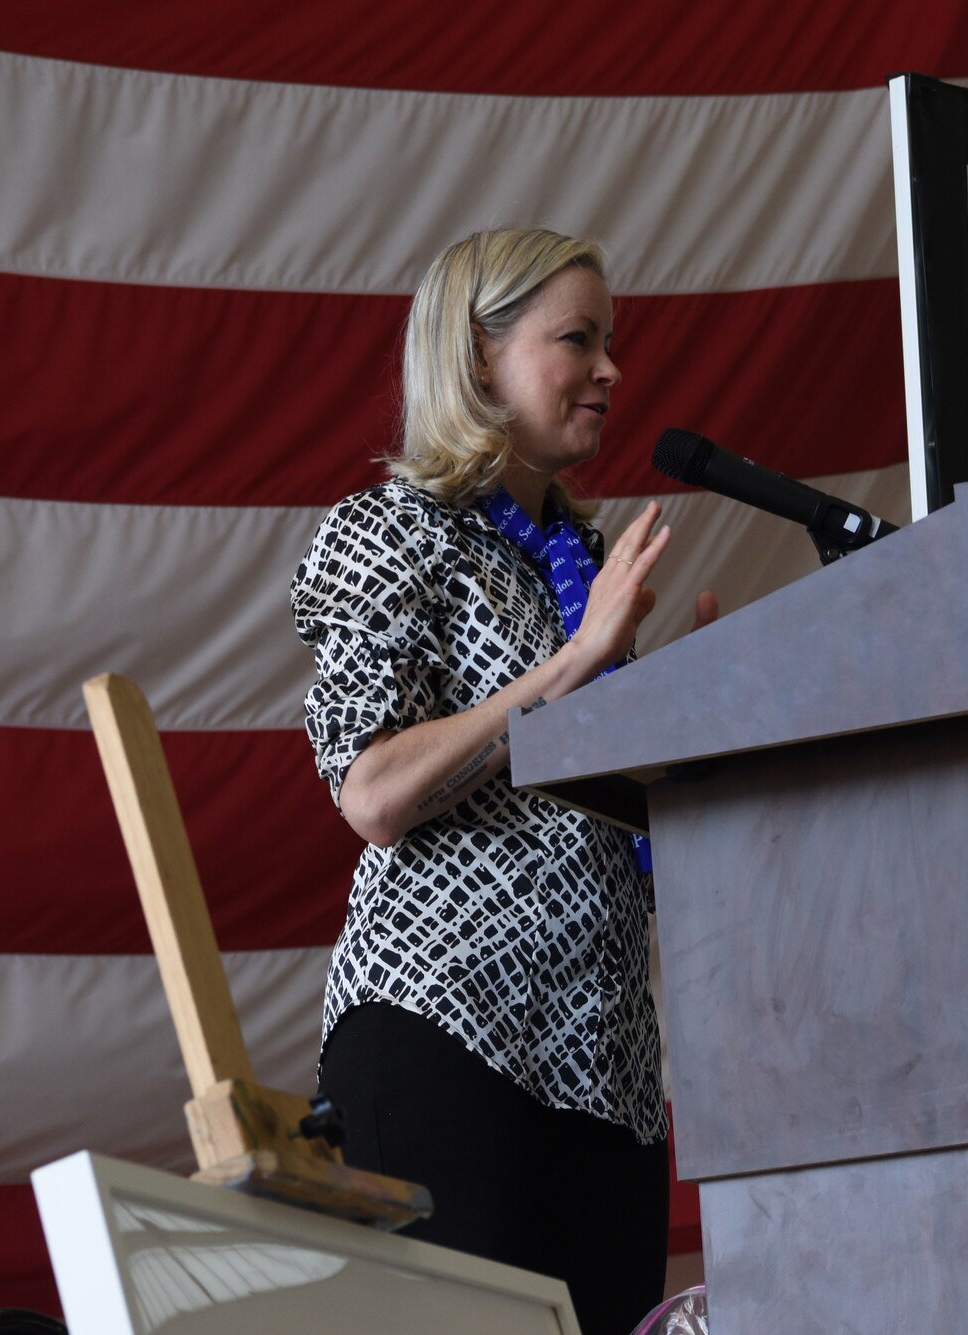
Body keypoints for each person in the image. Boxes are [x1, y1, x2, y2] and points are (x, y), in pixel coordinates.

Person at [291, 227, 712, 1331]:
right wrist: (576, 665)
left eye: (610, 341)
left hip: (608, 1070)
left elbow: (600, 825)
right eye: (579, 339)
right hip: (450, 1031)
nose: (612, 370)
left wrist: (706, 717)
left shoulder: (577, 563)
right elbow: (374, 793)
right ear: (480, 359)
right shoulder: (390, 532)